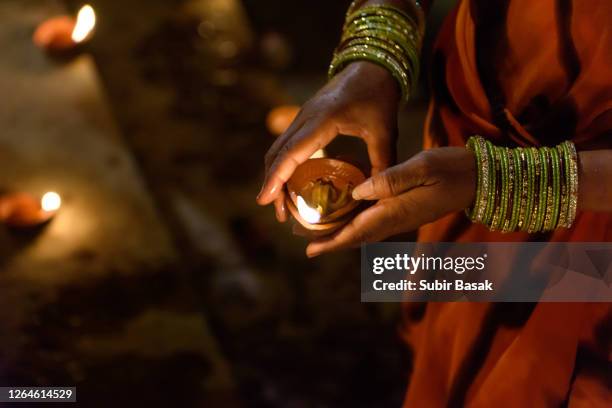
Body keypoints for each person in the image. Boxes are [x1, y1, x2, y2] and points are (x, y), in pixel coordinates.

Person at [257, 0, 612, 405]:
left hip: (594, 228)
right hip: (465, 139)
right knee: (454, 342)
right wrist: (376, 53)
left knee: (536, 378)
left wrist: (498, 181)